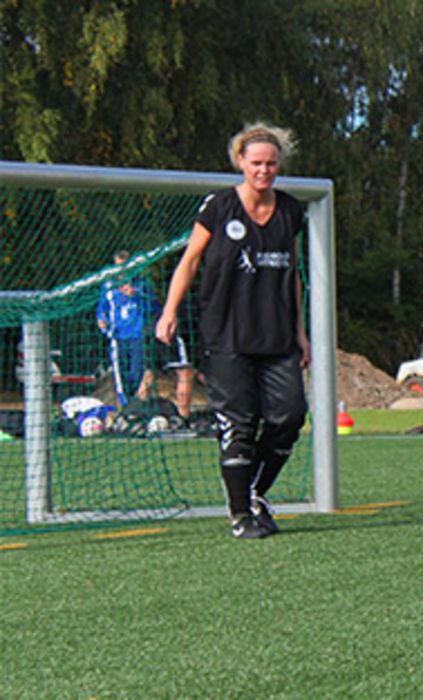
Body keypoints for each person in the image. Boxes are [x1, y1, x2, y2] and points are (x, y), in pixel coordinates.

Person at [156, 122, 310, 540]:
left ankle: (255, 492)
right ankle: (240, 515)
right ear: (241, 162)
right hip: (227, 336)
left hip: (277, 336)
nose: (264, 171)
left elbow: (293, 274)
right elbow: (189, 261)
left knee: (290, 416)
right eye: (256, 163)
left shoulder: (292, 211)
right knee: (240, 424)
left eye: (271, 164)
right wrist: (169, 310)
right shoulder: (219, 207)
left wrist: (301, 332)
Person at [96, 251, 157, 407]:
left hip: (137, 334)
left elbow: (154, 306)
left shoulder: (142, 283)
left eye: (125, 265)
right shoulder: (108, 285)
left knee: (137, 372)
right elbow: (102, 306)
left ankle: (136, 404)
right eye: (118, 266)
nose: (121, 270)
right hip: (117, 335)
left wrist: (136, 294)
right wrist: (101, 319)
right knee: (120, 373)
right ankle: (125, 405)